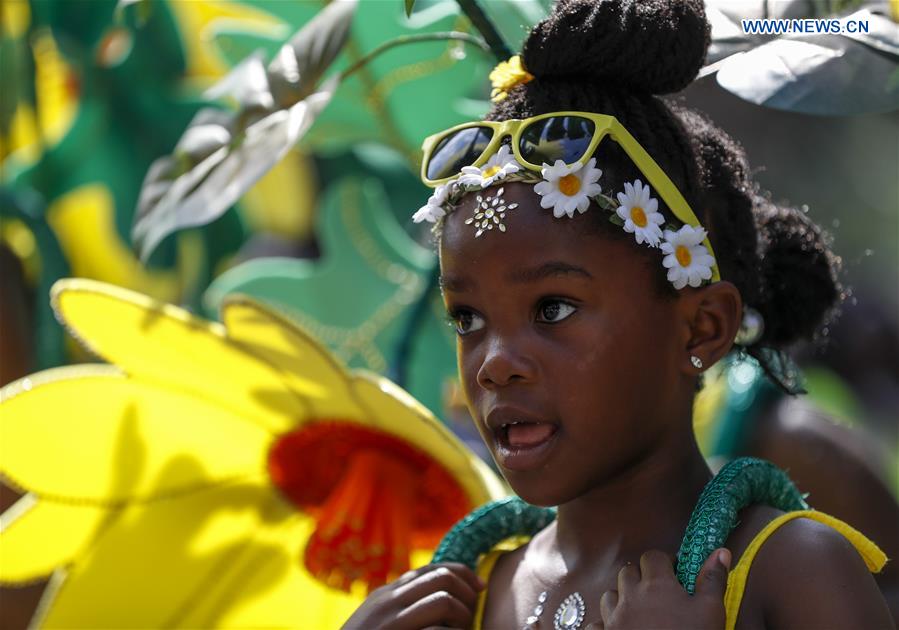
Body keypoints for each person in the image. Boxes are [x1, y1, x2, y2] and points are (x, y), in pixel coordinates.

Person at [342, 0, 894, 628]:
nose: (494, 365)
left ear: (701, 327)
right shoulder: (468, 594)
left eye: (551, 308)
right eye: (467, 318)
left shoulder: (792, 568)